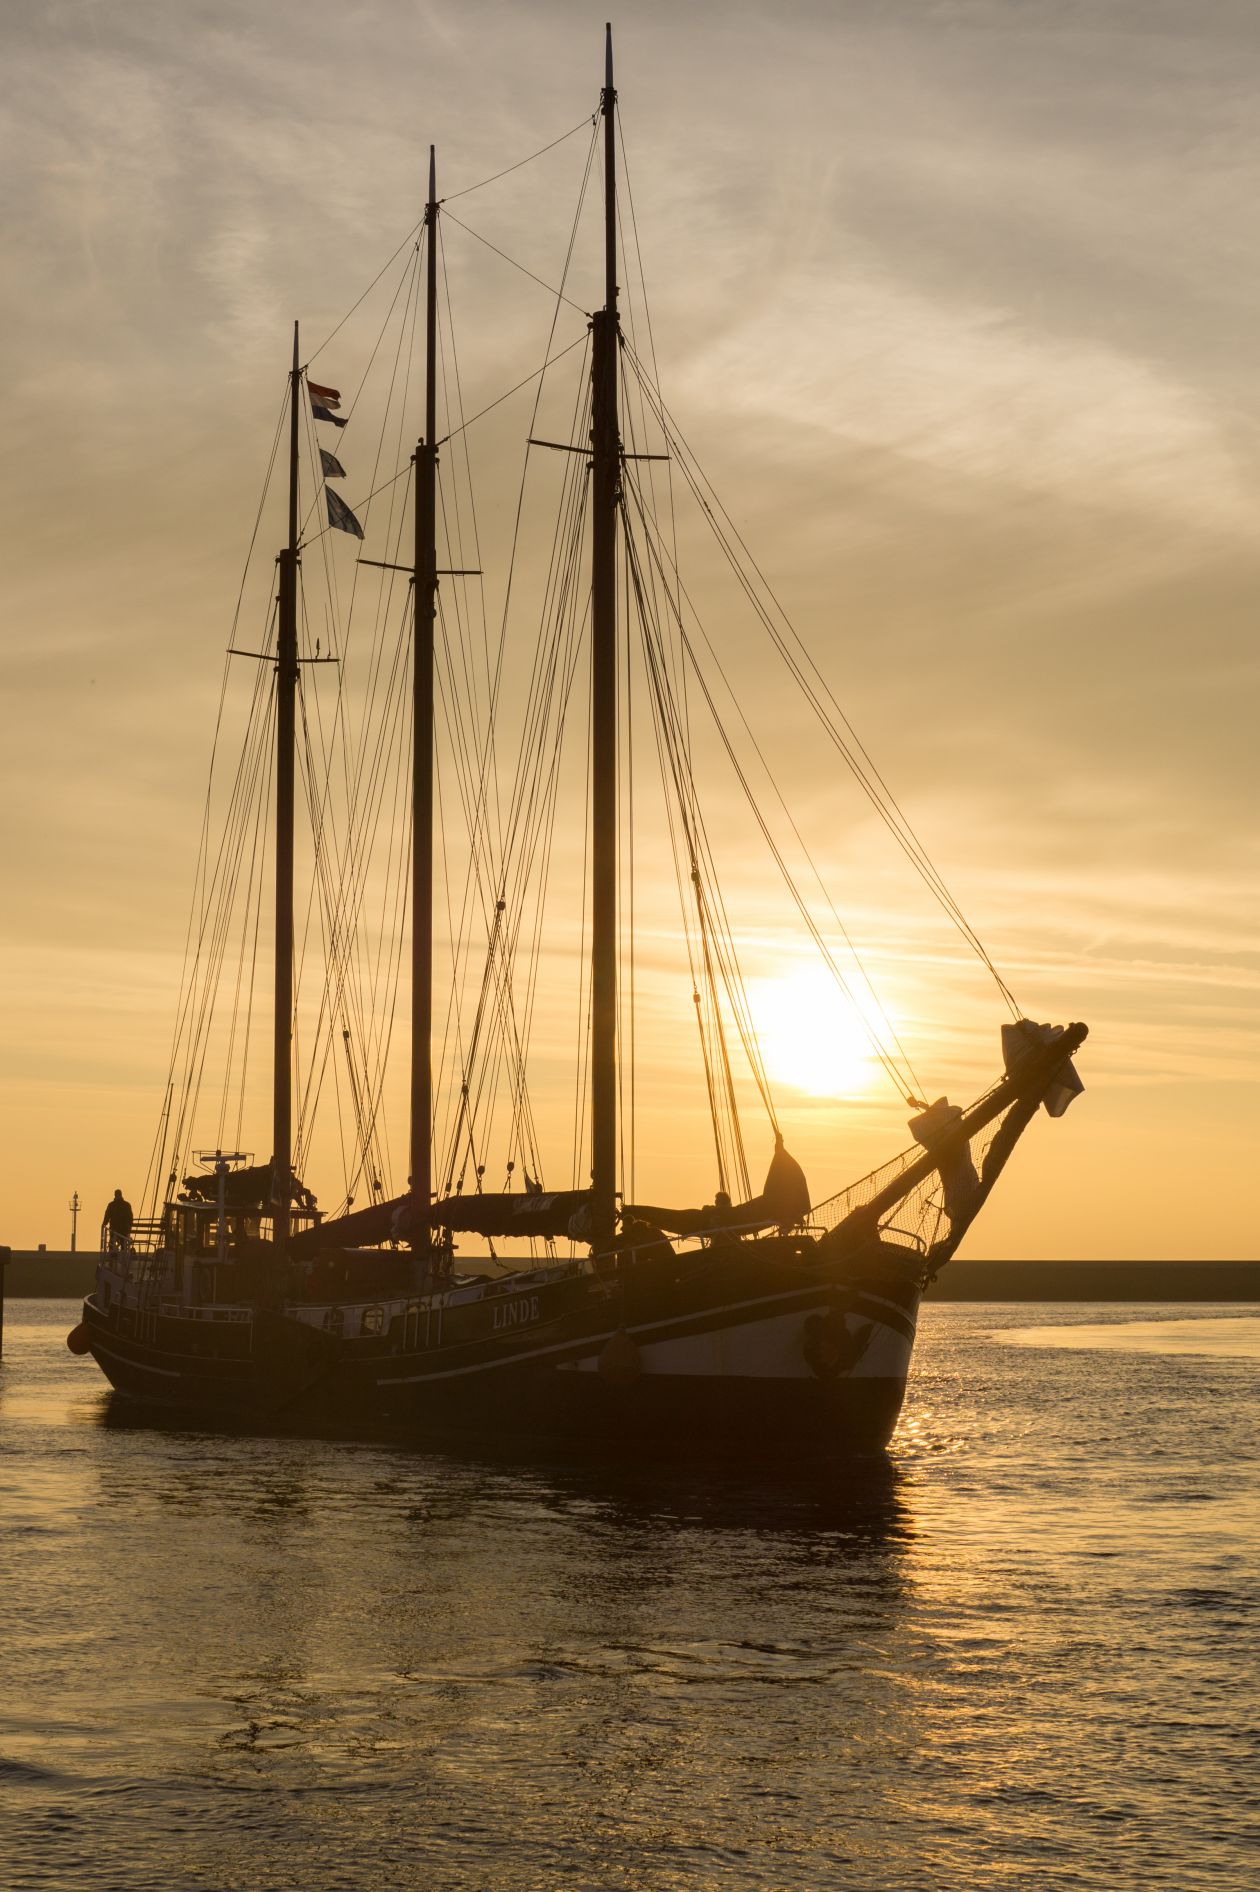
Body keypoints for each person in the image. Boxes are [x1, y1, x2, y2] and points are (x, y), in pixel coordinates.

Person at [103, 1189, 133, 1254]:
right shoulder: (127, 1205)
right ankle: (122, 1255)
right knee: (123, 1244)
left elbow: (107, 1215)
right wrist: (130, 1226)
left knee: (112, 1243)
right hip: (124, 1229)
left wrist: (104, 1224)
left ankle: (111, 1255)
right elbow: (130, 1217)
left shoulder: (111, 1205)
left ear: (115, 1195)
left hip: (114, 1229)